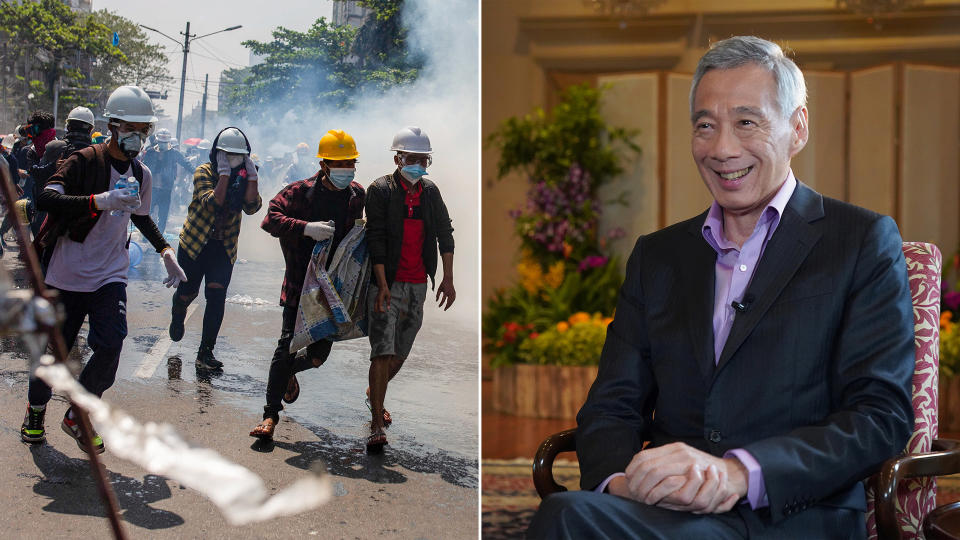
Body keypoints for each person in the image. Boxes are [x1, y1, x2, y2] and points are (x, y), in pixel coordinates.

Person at [527, 36, 915, 539]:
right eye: (705, 126)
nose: (722, 148)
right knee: (568, 514)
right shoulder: (658, 256)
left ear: (797, 127)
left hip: (789, 515)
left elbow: (879, 416)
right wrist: (622, 484)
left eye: (746, 122)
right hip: (667, 513)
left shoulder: (859, 241)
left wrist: (740, 473)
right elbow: (612, 405)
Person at [19, 85, 187, 454]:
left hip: (110, 274)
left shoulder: (143, 175)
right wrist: (99, 201)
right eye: (132, 127)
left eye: (144, 129)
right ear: (113, 125)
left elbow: (141, 218)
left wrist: (165, 249)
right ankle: (35, 411)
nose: (138, 137)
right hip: (67, 273)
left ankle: (79, 414)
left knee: (111, 343)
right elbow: (47, 197)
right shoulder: (84, 161)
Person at [249, 129, 366, 440]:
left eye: (350, 163)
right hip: (300, 284)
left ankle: (288, 373)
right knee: (287, 344)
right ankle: (270, 415)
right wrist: (305, 229)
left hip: (334, 291)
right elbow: (269, 219)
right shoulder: (299, 193)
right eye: (339, 163)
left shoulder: (357, 196)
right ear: (324, 165)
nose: (346, 169)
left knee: (316, 357)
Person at [363, 126, 455, 452]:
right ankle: (375, 423)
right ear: (398, 158)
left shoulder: (430, 192)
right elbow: (375, 239)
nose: (419, 165)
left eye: (424, 160)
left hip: (418, 284)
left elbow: (445, 232)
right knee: (383, 350)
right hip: (386, 285)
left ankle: (375, 394)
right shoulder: (380, 191)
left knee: (400, 353)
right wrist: (383, 284)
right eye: (413, 159)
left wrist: (447, 278)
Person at [167, 127, 262, 371]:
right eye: (227, 155)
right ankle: (179, 311)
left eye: (238, 155)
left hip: (223, 246)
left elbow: (252, 206)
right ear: (216, 155)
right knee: (188, 294)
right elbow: (214, 202)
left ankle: (205, 353)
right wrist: (224, 174)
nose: (233, 159)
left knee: (216, 296)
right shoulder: (204, 172)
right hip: (195, 244)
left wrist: (252, 176)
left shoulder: (245, 175)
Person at [142, 127, 192, 232]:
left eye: (165, 142)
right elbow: (142, 167)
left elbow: (186, 163)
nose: (162, 144)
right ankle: (147, 235)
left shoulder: (174, 153)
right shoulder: (151, 152)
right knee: (147, 214)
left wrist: (198, 171)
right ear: (157, 140)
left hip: (166, 189)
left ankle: (159, 237)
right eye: (161, 142)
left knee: (163, 216)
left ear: (168, 141)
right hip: (152, 189)